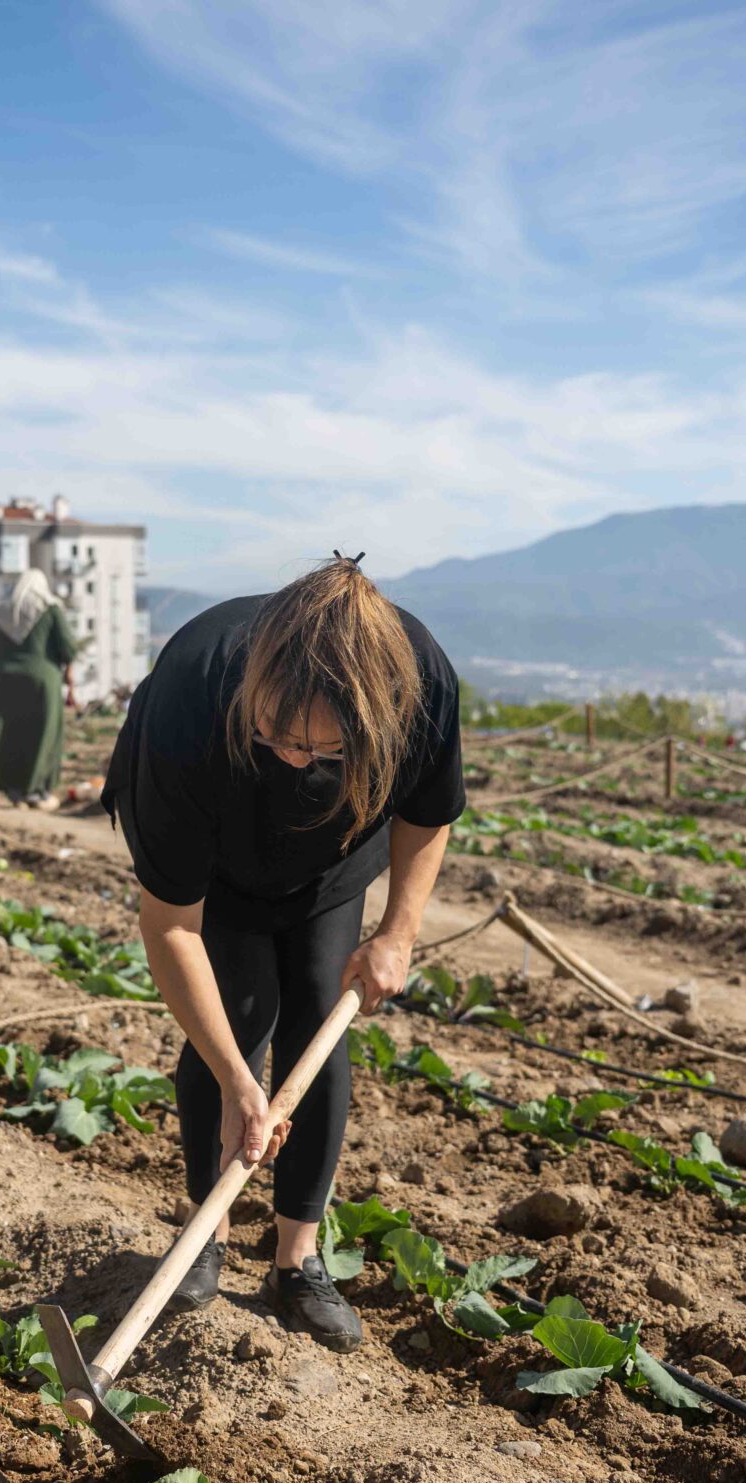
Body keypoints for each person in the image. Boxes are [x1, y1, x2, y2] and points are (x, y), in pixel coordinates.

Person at [103, 555, 465, 1349]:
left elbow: (429, 812)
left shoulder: (421, 683)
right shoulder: (192, 694)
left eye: (316, 749)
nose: (291, 758)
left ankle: (297, 1260)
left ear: (368, 720)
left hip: (332, 857)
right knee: (236, 1015)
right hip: (215, 857)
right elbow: (171, 925)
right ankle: (210, 1229)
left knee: (313, 1010)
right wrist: (238, 1076)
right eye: (274, 734)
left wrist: (397, 933)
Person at [0, 568, 76, 805]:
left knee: (8, 736)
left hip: (4, 681)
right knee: (42, 736)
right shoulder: (51, 609)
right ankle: (36, 791)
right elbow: (68, 647)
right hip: (42, 681)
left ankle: (12, 789)